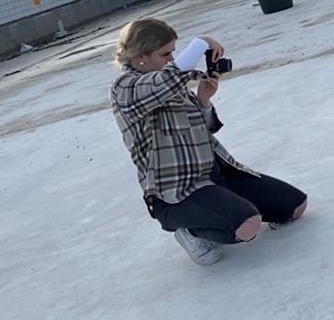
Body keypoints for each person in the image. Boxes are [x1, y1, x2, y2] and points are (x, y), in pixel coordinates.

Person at [110, 19, 307, 265]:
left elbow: (204, 129)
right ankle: (190, 230)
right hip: (176, 192)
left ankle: (227, 207)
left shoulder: (165, 80)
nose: (171, 59)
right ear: (140, 57)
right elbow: (167, 81)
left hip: (215, 174)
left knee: (295, 206)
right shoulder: (125, 88)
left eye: (173, 52)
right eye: (165, 53)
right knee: (247, 226)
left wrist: (204, 100)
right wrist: (201, 42)